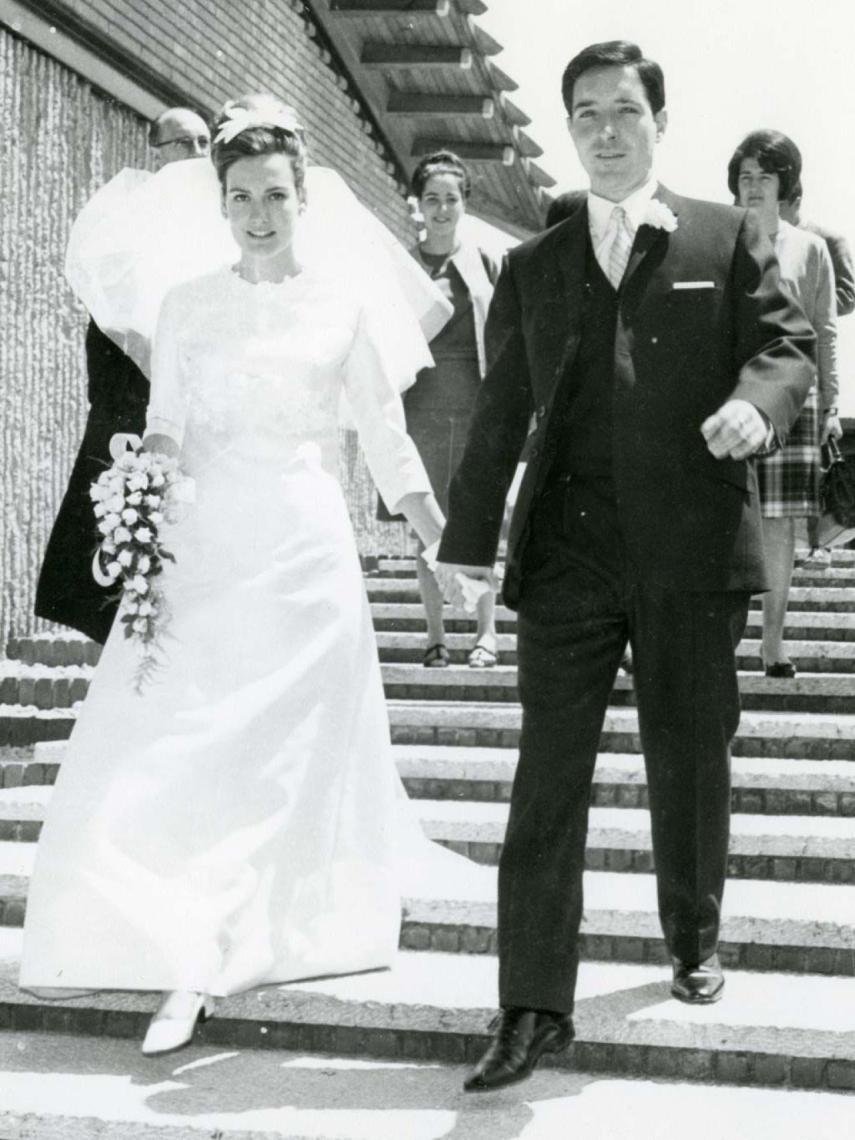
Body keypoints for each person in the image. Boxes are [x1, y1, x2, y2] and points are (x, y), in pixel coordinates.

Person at [20, 95, 472, 1057]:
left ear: (303, 195)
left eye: (273, 194)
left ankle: (248, 929)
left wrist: (446, 545)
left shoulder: (342, 306)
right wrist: (139, 497)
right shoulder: (188, 306)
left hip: (307, 553)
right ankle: (180, 923)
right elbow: (172, 422)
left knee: (286, 756)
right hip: (209, 545)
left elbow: (388, 451)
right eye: (240, 197)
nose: (258, 212)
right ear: (219, 203)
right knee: (184, 735)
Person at [435, 40, 815, 1093]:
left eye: (625, 111)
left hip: (691, 551)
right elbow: (502, 409)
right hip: (568, 558)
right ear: (570, 129)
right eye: (587, 113)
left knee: (689, 760)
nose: (607, 129)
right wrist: (467, 545)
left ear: (658, 122)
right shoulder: (535, 264)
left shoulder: (726, 235)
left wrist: (757, 399)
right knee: (545, 782)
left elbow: (788, 347)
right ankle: (530, 1006)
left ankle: (694, 934)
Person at [34, 108, 211, 644]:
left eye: (205, 142)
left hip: (197, 413)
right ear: (157, 152)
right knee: (115, 545)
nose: (197, 155)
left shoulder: (214, 225)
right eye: (184, 143)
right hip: (133, 402)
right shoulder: (133, 219)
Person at [380, 151, 500, 668]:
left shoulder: (486, 263)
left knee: (474, 523)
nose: (442, 209)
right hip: (422, 408)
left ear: (464, 205)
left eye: (452, 199)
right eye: (432, 199)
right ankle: (435, 638)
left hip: (473, 406)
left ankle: (486, 634)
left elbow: (503, 334)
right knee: (428, 526)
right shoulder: (401, 266)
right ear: (418, 206)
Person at [729, 131, 841, 675]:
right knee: (723, 517)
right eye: (746, 176)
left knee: (778, 525)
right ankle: (720, 641)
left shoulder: (809, 247)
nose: (754, 187)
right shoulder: (720, 235)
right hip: (730, 394)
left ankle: (771, 641)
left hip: (796, 397)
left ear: (785, 183)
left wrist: (833, 403)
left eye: (765, 177)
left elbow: (823, 329)